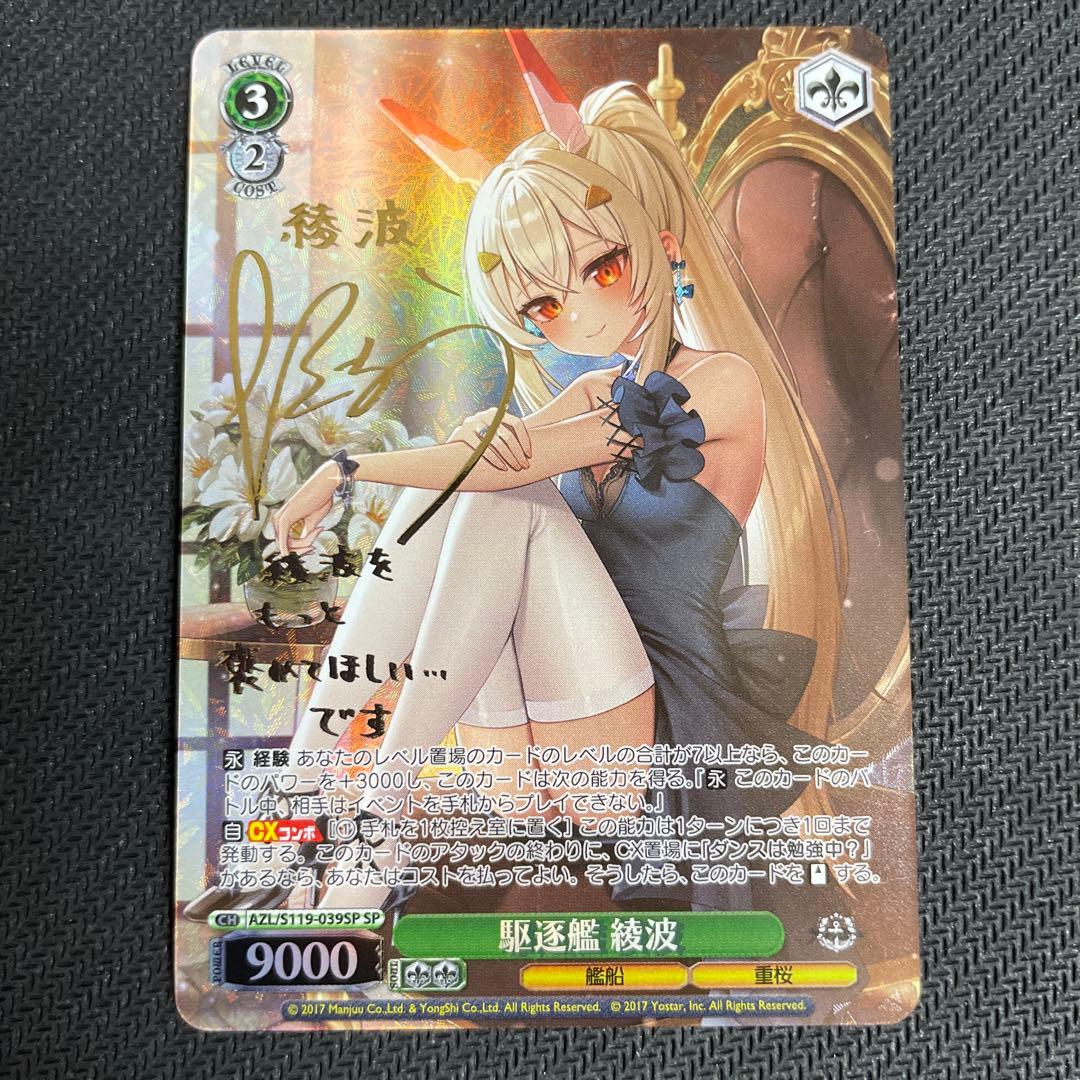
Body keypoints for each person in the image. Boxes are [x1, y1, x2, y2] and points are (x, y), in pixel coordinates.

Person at [184, 31, 844, 921]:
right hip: (529, 747)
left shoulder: (721, 383)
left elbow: (516, 464)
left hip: (642, 754)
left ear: (660, 245)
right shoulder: (596, 390)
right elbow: (483, 459)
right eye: (543, 303)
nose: (580, 311)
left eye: (601, 266)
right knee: (461, 486)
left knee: (506, 497)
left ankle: (365, 832)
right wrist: (393, 460)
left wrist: (348, 468)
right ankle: (308, 806)